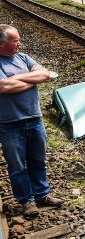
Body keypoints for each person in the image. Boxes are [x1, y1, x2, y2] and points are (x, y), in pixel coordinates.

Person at [0, 25, 64, 219]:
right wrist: (32, 80)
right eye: (15, 40)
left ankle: (42, 194)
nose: (19, 43)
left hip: (34, 118)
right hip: (9, 123)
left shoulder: (24, 58)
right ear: (2, 44)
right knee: (17, 166)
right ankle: (27, 201)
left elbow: (45, 74)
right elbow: (3, 87)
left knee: (38, 161)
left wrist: (16, 80)